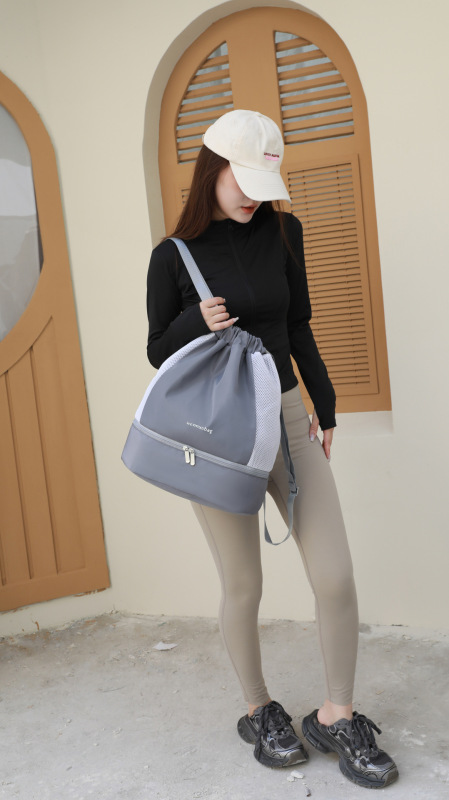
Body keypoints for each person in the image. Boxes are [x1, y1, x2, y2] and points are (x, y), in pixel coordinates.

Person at [146, 110, 398, 789]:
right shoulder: (173, 256)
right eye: (242, 182)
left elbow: (299, 323)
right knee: (243, 583)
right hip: (216, 431)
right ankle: (259, 709)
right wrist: (192, 321)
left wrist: (326, 405)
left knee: (334, 574)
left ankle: (337, 713)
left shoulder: (286, 232)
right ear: (212, 170)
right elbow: (157, 351)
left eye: (262, 184)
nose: (253, 197)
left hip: (285, 414)